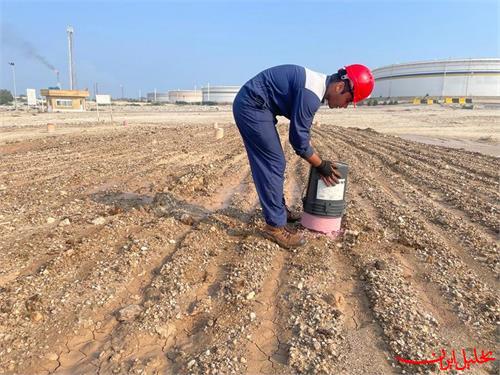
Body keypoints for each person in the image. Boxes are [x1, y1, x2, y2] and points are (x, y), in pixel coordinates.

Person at [232, 64, 374, 249]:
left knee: (275, 161)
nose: (345, 106)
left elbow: (302, 131)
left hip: (259, 106)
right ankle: (274, 227)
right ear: (340, 86)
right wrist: (320, 164)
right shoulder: (311, 94)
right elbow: (298, 140)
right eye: (348, 100)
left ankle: (279, 211)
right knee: (273, 162)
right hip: (251, 106)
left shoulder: (314, 89)